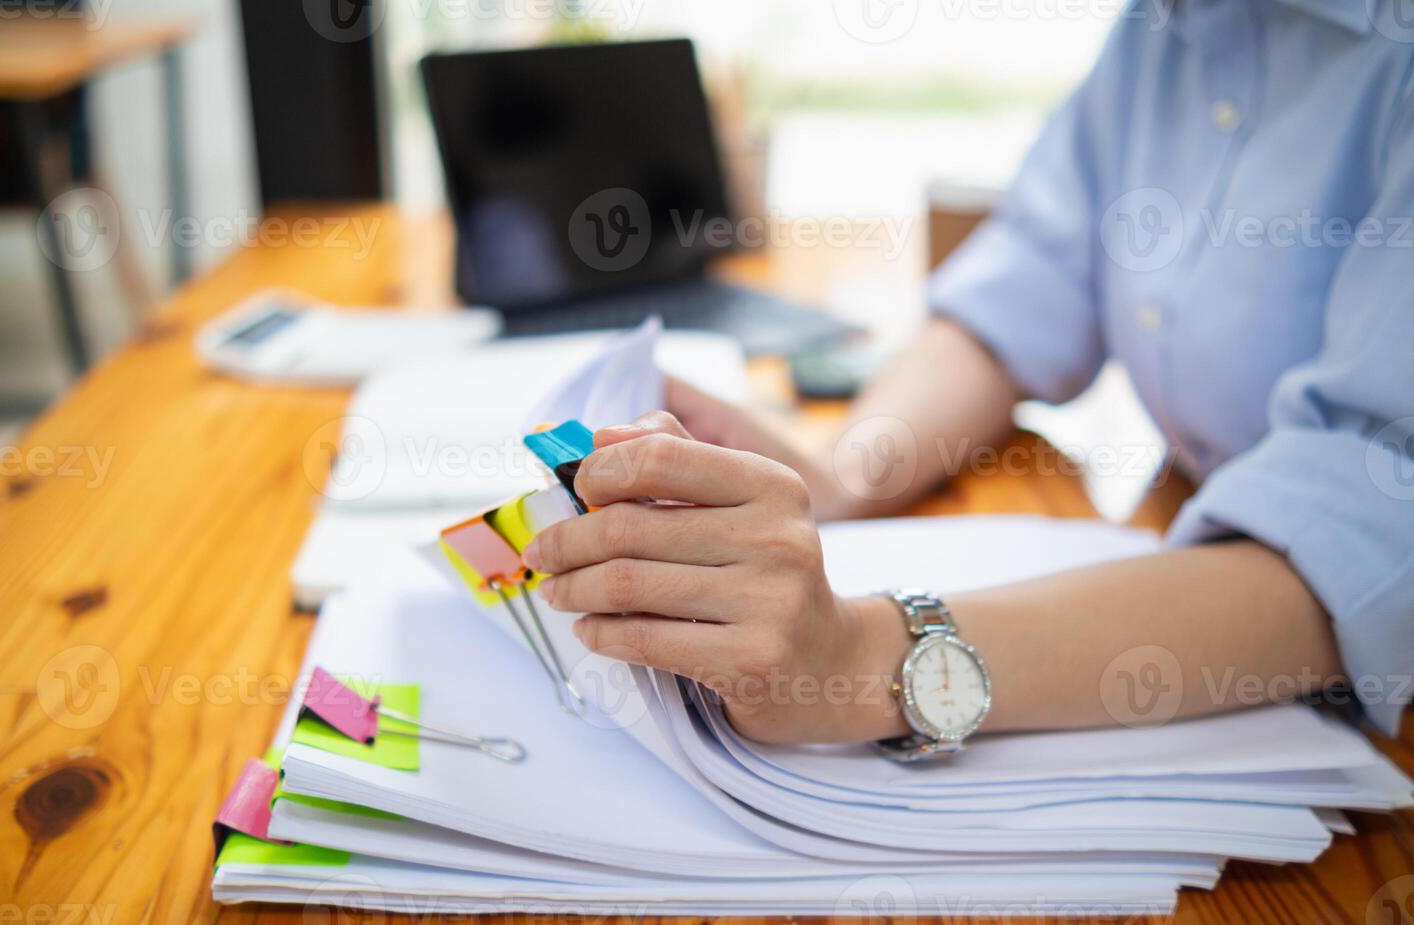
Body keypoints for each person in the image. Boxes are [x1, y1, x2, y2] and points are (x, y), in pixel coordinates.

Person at [522, 0, 1414, 751]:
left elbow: (1363, 546)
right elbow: (1024, 291)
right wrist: (841, 478)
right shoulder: (1164, 27)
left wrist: (861, 661)